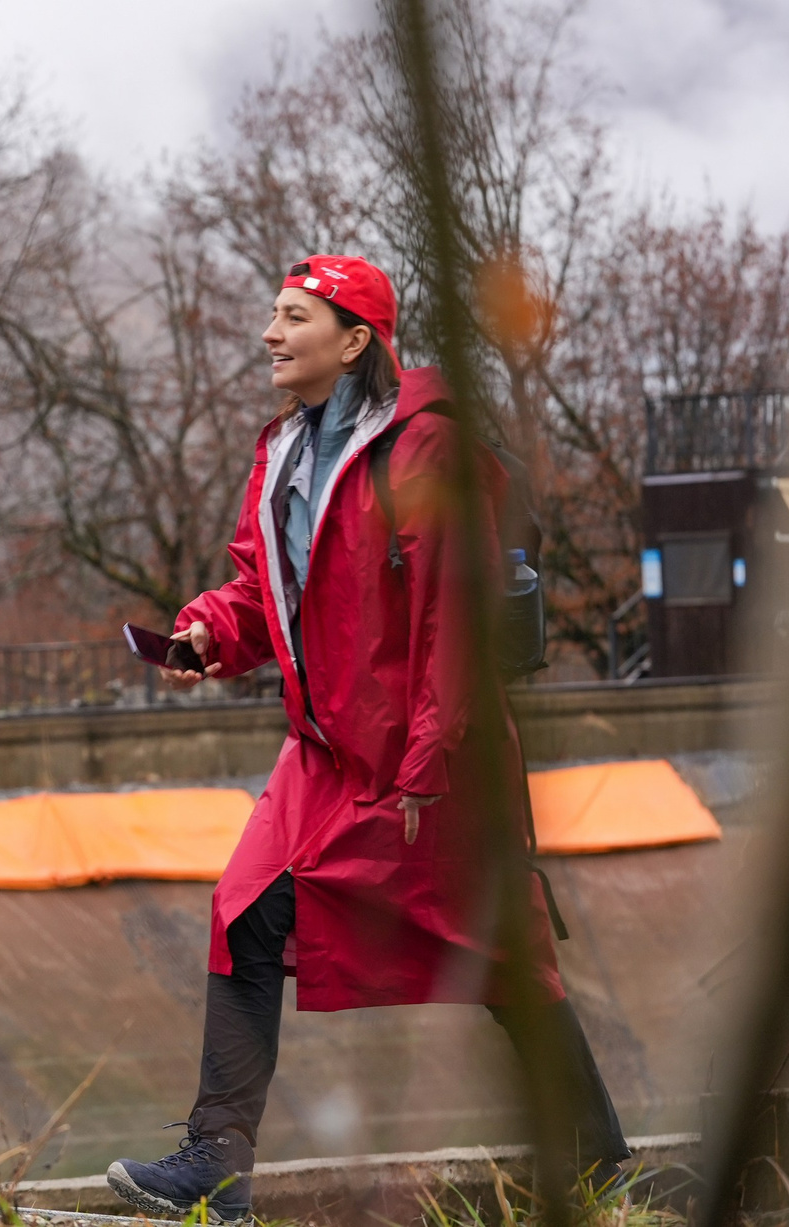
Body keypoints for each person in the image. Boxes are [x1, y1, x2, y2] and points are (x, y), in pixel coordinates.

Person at [106, 255, 630, 1219]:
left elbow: (453, 624)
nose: (270, 333)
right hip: (324, 753)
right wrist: (206, 632)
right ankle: (215, 1165)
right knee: (244, 909)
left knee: (505, 953)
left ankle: (603, 1165)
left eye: (293, 316)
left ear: (355, 341)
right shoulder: (283, 454)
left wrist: (426, 767)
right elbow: (263, 594)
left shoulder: (430, 451)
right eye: (271, 312)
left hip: (435, 759)